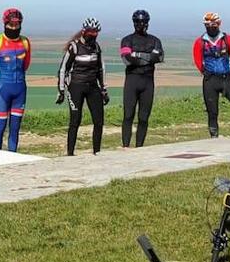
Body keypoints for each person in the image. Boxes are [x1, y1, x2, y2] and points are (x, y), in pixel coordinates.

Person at [191, 12, 230, 137]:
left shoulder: (227, 39)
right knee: (212, 112)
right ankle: (214, 137)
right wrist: (204, 71)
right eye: (207, 25)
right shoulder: (200, 42)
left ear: (219, 24)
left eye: (213, 25)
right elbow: (197, 58)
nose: (210, 28)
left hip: (226, 79)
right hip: (210, 80)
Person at [56, 17, 109, 155]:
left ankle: (97, 152)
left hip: (93, 86)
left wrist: (104, 89)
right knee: (75, 121)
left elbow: (101, 69)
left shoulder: (96, 47)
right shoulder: (74, 47)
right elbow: (63, 69)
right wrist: (61, 90)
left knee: (99, 121)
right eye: (91, 32)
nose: (93, 35)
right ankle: (70, 153)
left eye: (96, 32)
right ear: (84, 31)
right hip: (76, 87)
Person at [0, 8, 31, 152]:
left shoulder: (25, 42)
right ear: (5, 24)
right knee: (0, 125)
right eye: (11, 25)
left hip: (20, 89)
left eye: (17, 25)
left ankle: (13, 155)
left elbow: (26, 64)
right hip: (2, 89)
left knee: (15, 127)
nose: (14, 28)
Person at [119, 9, 163, 148]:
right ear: (134, 23)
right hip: (132, 81)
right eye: (138, 21)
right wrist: (148, 57)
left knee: (144, 118)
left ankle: (140, 147)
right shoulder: (127, 40)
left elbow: (159, 58)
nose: (141, 24)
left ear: (148, 22)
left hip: (148, 82)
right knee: (128, 115)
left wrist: (136, 55)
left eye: (143, 21)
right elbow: (127, 60)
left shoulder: (155, 40)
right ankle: (125, 146)